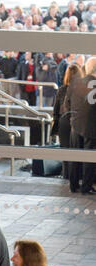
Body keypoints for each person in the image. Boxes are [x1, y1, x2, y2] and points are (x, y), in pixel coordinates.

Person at [64, 56, 96, 194]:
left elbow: (67, 104)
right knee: (89, 159)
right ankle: (86, 187)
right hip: (92, 127)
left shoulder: (75, 83)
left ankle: (73, 185)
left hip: (75, 126)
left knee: (75, 156)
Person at [51, 63, 83, 178]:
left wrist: (56, 124)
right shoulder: (82, 91)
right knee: (78, 152)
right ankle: (77, 177)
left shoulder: (61, 90)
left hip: (63, 124)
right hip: (78, 124)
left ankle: (66, 176)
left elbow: (55, 111)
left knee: (65, 152)